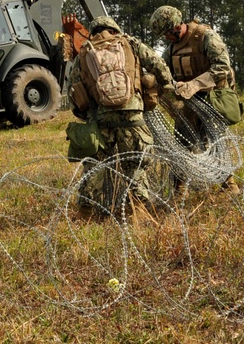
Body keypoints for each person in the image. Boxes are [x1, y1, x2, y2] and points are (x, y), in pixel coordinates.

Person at [67, 16, 176, 217]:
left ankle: (86, 212)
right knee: (136, 161)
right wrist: (164, 89)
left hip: (100, 117)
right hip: (132, 113)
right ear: (114, 28)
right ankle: (138, 210)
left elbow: (73, 89)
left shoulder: (84, 51)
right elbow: (158, 65)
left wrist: (87, 115)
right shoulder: (130, 43)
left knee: (95, 164)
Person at [149, 5, 242, 193]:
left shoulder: (205, 36)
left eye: (167, 34)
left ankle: (229, 184)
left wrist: (195, 84)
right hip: (190, 101)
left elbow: (223, 66)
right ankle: (179, 188)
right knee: (182, 142)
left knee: (216, 141)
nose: (166, 39)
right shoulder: (172, 48)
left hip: (213, 96)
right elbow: (162, 71)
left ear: (175, 27)